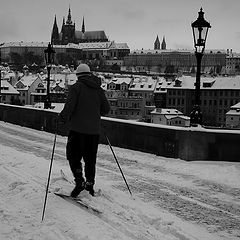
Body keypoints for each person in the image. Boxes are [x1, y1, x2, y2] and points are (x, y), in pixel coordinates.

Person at [59, 63, 110, 197]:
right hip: (94, 131)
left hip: (77, 130)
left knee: (73, 157)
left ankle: (79, 181)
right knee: (90, 159)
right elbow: (106, 109)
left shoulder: (76, 88)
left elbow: (69, 106)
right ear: (89, 74)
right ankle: (90, 184)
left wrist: (62, 118)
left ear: (78, 75)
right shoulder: (98, 89)